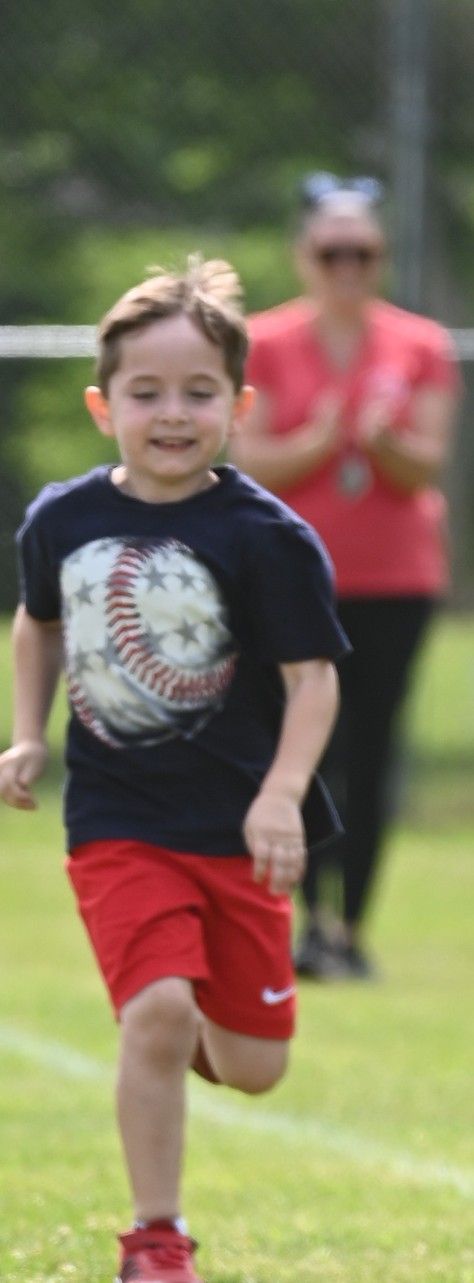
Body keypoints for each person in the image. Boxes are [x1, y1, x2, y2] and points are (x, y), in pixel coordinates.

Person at [0, 261, 345, 1283]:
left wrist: (279, 792)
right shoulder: (59, 520)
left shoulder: (265, 537)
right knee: (152, 1012)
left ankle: (199, 1003)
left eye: (198, 393)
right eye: (145, 392)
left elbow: (311, 678)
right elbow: (37, 622)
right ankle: (156, 1234)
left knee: (253, 1065)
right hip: (116, 819)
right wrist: (25, 734)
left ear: (237, 408)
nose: (172, 413)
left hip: (234, 825)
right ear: (104, 405)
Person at [238, 176, 460, 980]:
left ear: (380, 259)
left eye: (360, 253)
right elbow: (250, 457)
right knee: (296, 752)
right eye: (330, 252)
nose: (345, 266)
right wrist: (320, 440)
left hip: (394, 581)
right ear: (304, 255)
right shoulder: (262, 342)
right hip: (293, 579)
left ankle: (352, 927)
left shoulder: (419, 344)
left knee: (368, 754)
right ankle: (303, 922)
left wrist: (384, 441)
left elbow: (424, 463)